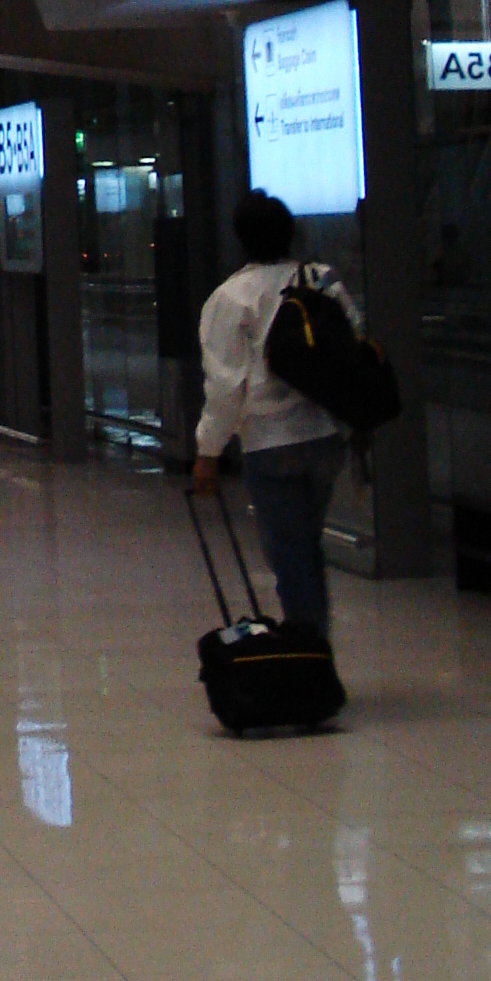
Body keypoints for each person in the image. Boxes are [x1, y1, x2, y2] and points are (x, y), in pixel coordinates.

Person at [193, 190, 354, 643]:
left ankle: (310, 656)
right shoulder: (321, 279)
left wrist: (208, 451)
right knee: (306, 545)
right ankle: (313, 644)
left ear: (241, 238)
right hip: (325, 435)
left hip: (270, 440)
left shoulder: (231, 297)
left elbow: (225, 387)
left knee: (290, 552)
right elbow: (351, 343)